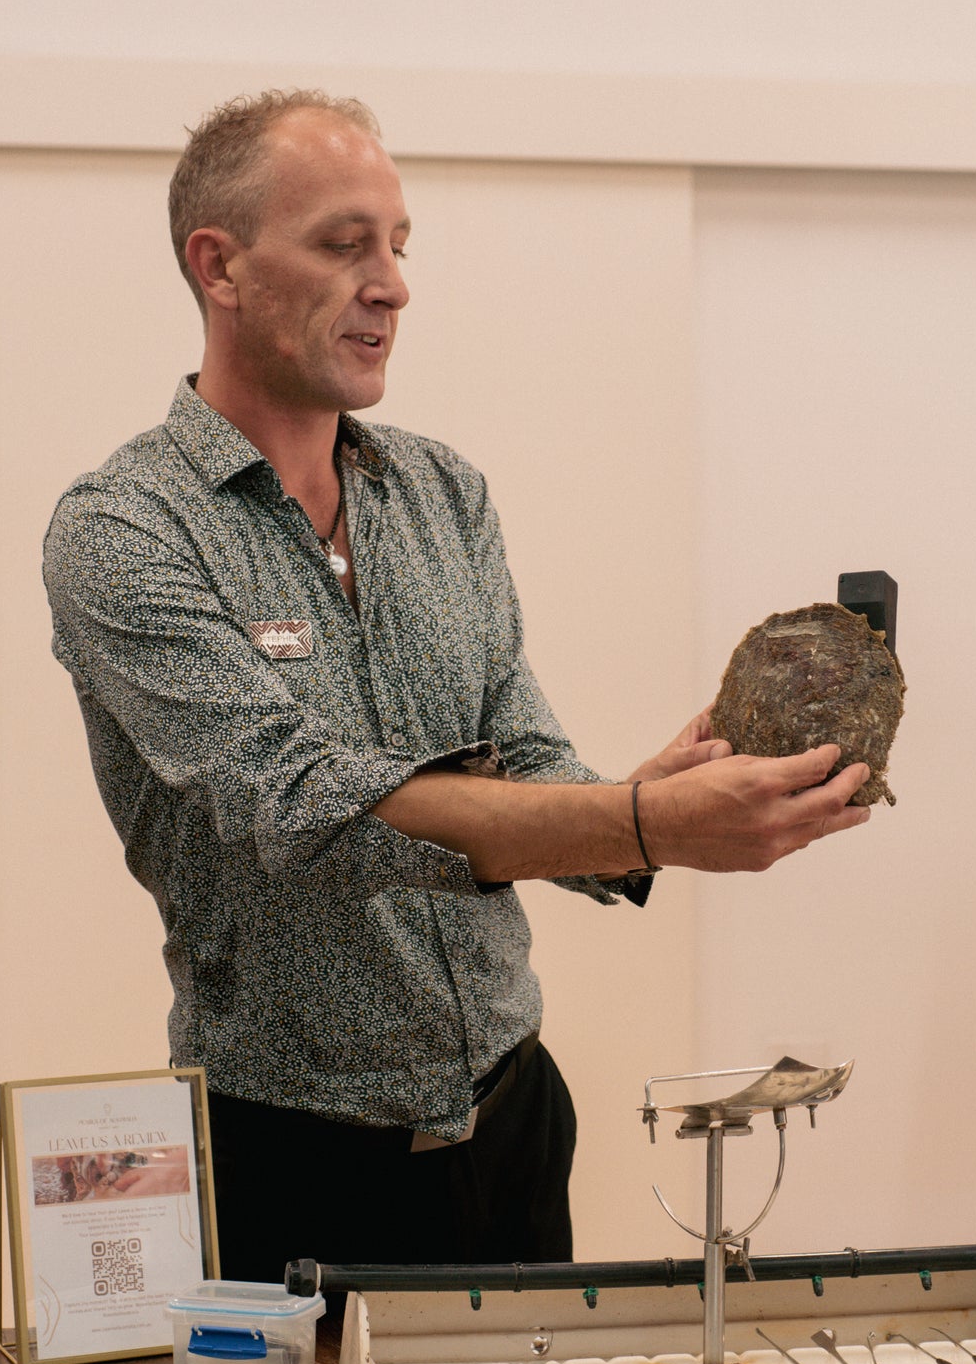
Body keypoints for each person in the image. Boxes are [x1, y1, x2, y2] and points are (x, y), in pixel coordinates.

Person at [43, 90, 871, 1282]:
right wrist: (635, 825)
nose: (392, 283)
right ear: (218, 266)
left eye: (399, 244)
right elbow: (293, 800)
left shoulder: (442, 493)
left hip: (513, 1121)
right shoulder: (122, 528)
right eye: (344, 243)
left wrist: (645, 803)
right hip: (290, 1153)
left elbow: (521, 753)